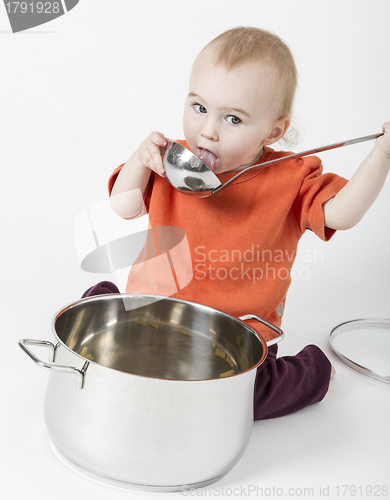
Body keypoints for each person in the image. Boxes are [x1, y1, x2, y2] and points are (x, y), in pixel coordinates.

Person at [103, 27, 390, 419]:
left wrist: (383, 155)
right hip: (155, 314)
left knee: (241, 404)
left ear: (273, 131)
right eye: (199, 108)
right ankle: (104, 298)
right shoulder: (171, 159)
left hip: (237, 335)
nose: (208, 131)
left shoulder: (291, 177)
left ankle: (312, 371)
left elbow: (343, 213)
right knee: (118, 364)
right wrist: (139, 160)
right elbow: (123, 206)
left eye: (233, 119)